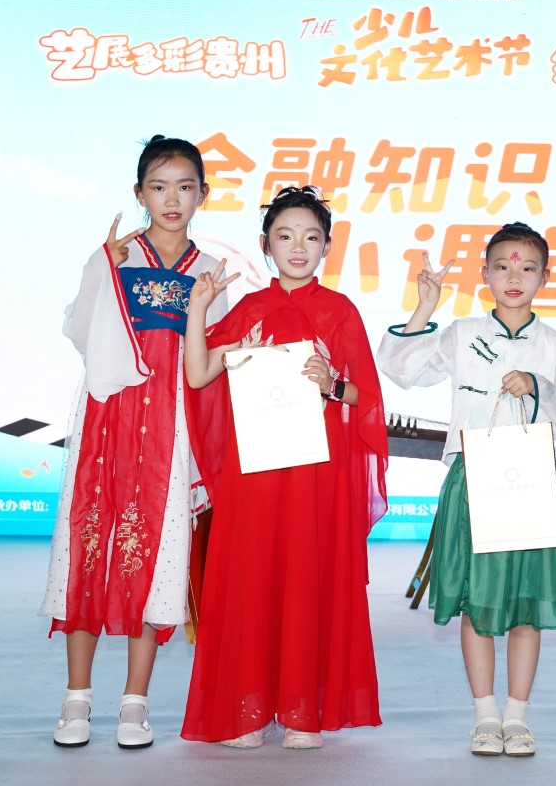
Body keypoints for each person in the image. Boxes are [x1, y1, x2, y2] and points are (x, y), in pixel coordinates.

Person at [180, 185, 388, 750]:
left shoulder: (340, 312)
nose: (298, 247)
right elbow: (198, 374)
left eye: (311, 237)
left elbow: (367, 399)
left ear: (327, 246)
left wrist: (334, 384)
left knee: (306, 581)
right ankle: (247, 710)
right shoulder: (250, 310)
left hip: (316, 474)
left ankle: (302, 712)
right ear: (265, 244)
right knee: (251, 581)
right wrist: (198, 309)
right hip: (255, 471)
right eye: (286, 236)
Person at [41, 135, 227, 750]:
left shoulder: (209, 269)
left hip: (171, 429)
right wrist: (104, 265)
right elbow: (79, 330)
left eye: (185, 187)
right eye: (159, 186)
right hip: (107, 421)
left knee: (156, 558)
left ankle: (135, 702)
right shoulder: (117, 255)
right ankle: (76, 699)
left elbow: (207, 364)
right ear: (139, 193)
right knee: (89, 547)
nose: (172, 199)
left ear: (203, 194)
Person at [378, 225, 556, 757]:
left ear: (546, 276)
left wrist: (538, 387)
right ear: (485, 274)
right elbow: (402, 370)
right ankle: (485, 716)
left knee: (526, 602)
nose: (514, 277)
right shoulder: (462, 332)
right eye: (502, 267)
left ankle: (517, 717)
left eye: (527, 268)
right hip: (472, 481)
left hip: (529, 483)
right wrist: (425, 307)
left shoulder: (555, 344)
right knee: (477, 602)